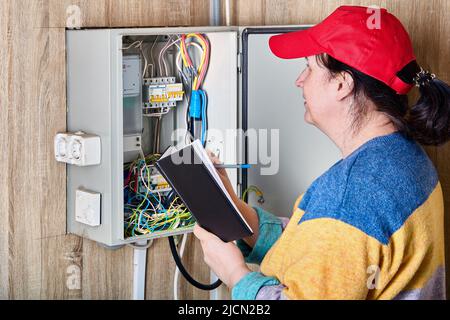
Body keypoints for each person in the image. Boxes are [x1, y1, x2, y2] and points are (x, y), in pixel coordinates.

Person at [193, 5, 450, 300]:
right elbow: (328, 250)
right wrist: (236, 212)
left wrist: (235, 274)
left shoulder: (350, 195)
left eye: (309, 67)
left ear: (342, 84)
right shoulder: (405, 156)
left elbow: (337, 237)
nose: (299, 80)